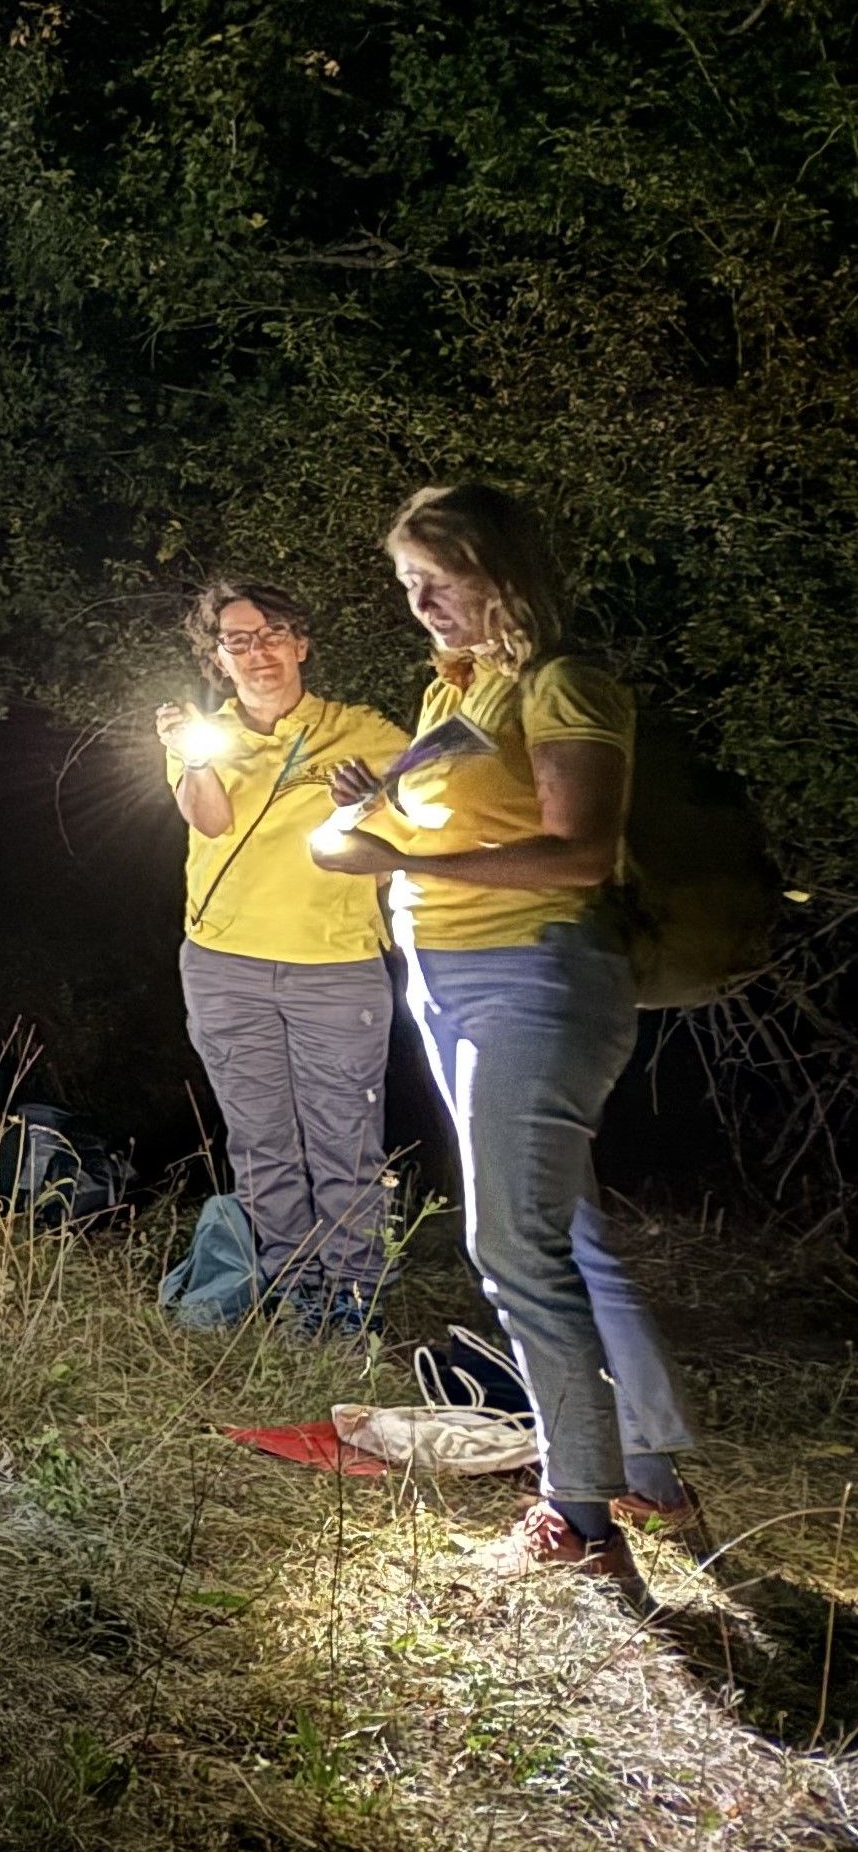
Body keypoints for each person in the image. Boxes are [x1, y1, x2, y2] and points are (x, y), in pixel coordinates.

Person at [309, 485, 696, 1570]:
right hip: (445, 981)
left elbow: (578, 851)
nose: (421, 600)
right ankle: (650, 1477)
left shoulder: (564, 686)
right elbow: (406, 829)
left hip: (533, 977)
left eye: (440, 576)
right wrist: (368, 809)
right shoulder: (455, 703)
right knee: (565, 1233)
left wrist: (403, 859)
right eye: (406, 583)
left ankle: (578, 1518)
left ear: (501, 571)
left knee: (510, 1244)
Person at [153, 581, 409, 1337]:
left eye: (272, 634)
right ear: (217, 658)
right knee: (262, 1142)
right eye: (237, 640)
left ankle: (353, 1307)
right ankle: (298, 1300)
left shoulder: (363, 731)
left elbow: (421, 828)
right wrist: (188, 755)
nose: (257, 651)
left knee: (345, 1142)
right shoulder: (203, 736)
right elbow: (209, 819)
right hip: (223, 965)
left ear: (300, 643)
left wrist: (372, 799)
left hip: (334, 968)